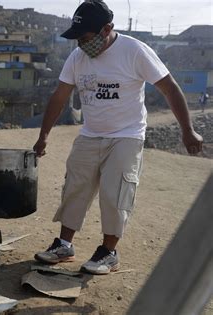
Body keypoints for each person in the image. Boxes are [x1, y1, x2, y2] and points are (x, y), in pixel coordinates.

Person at [32, 0, 203, 275]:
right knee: (75, 187)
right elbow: (60, 97)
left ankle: (108, 252)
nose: (81, 44)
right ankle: (64, 244)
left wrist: (187, 129)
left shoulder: (134, 51)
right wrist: (44, 135)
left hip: (127, 134)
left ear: (107, 29)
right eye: (77, 39)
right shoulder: (77, 58)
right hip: (90, 134)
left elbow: (169, 88)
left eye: (86, 38)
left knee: (116, 193)